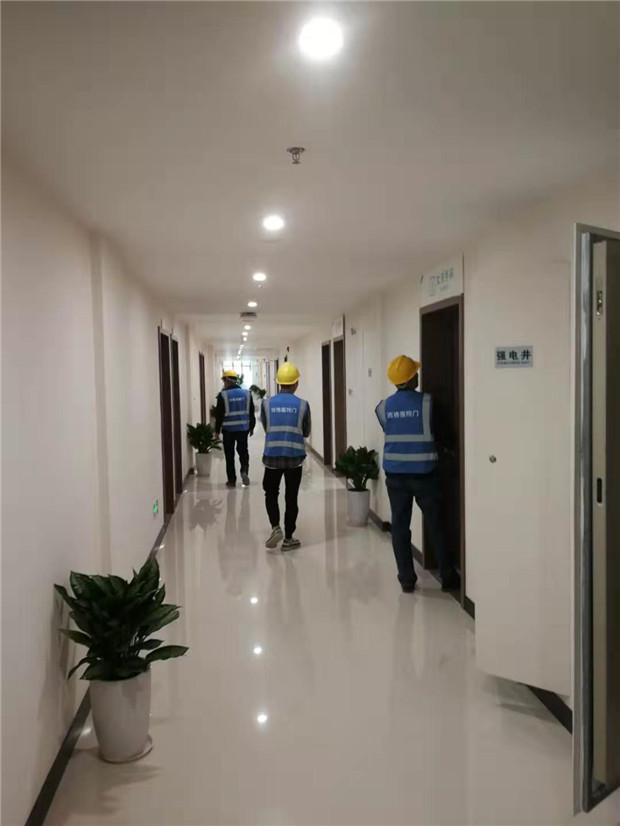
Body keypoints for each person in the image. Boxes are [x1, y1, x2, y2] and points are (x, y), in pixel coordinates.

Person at [376, 355, 460, 593]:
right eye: (415, 373)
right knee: (436, 524)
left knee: (400, 527)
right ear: (412, 378)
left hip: (395, 476)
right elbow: (446, 437)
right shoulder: (428, 403)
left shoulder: (383, 407)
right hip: (425, 474)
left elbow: (392, 430)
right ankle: (448, 576)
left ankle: (406, 579)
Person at [261, 362, 311, 552]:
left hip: (272, 456)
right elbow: (306, 431)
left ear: (278, 383)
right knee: (291, 497)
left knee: (271, 493)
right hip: (294, 458)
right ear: (296, 383)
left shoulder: (266, 404)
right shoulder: (303, 405)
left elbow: (266, 427)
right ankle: (289, 538)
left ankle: (275, 527)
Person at [215, 370, 255, 488]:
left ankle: (231, 480)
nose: (224, 383)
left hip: (228, 430)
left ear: (227, 380)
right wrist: (251, 427)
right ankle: (244, 471)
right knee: (243, 452)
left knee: (229, 455)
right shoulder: (247, 394)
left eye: (224, 380)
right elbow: (251, 412)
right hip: (243, 428)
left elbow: (219, 415)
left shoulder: (223, 395)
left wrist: (217, 430)